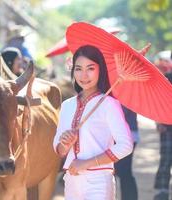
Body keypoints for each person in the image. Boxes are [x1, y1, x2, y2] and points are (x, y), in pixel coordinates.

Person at [53, 45, 133, 200]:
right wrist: (65, 143)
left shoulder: (109, 104)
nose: (84, 75)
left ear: (100, 70)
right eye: (78, 68)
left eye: (90, 68)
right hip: (71, 180)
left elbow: (126, 145)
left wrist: (85, 164)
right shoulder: (67, 105)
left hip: (99, 182)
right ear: (73, 71)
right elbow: (58, 148)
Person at [153, 51, 172, 200]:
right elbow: (158, 101)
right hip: (167, 125)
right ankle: (161, 191)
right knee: (166, 159)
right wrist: (158, 121)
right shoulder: (167, 79)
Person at [115, 106, 139, 200]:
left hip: (126, 136)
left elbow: (119, 113)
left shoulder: (124, 94)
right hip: (126, 135)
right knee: (123, 172)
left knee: (124, 172)